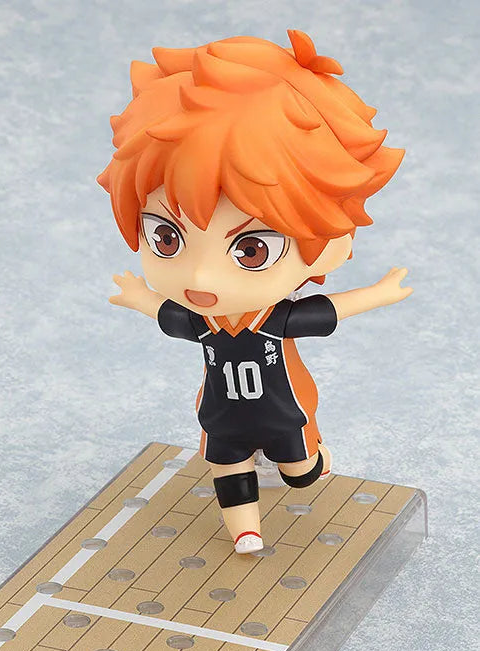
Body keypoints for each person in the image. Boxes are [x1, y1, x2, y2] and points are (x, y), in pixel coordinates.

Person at [98, 30, 412, 553]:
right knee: (226, 466)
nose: (201, 278)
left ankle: (311, 459)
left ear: (331, 241)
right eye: (167, 238)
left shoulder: (274, 319)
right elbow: (163, 312)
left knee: (301, 474)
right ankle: (245, 529)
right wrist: (136, 295)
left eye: (250, 249)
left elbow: (332, 310)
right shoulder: (202, 322)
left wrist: (380, 292)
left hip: (284, 413)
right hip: (220, 415)